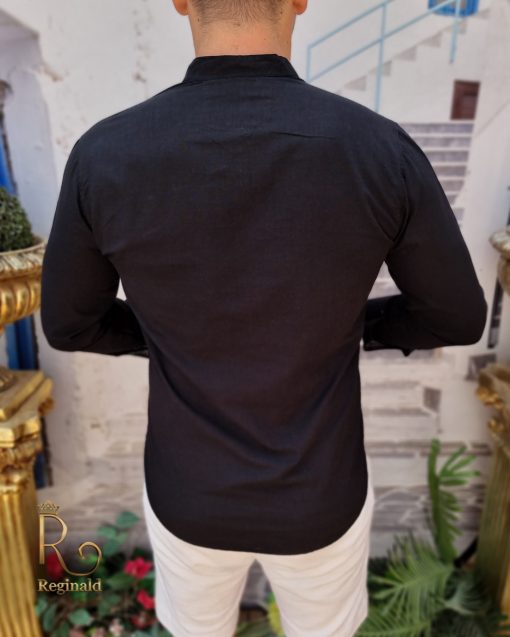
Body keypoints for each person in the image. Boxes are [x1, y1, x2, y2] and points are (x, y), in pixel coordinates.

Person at [40, 0, 488, 635]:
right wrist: (353, 325)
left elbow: (70, 323)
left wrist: (170, 335)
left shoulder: (105, 154)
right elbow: (456, 316)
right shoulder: (377, 148)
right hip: (319, 495)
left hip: (188, 492)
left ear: (180, 1)